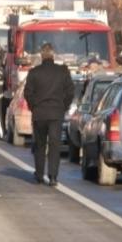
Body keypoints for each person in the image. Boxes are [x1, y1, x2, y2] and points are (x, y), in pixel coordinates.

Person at [24, 43, 75, 186]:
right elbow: (70, 92)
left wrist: (34, 106)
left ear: (41, 55)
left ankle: (39, 175)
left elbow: (28, 93)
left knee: (40, 144)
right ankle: (53, 176)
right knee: (54, 145)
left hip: (40, 113)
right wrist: (63, 107)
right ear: (53, 55)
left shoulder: (34, 72)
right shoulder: (62, 72)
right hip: (56, 113)